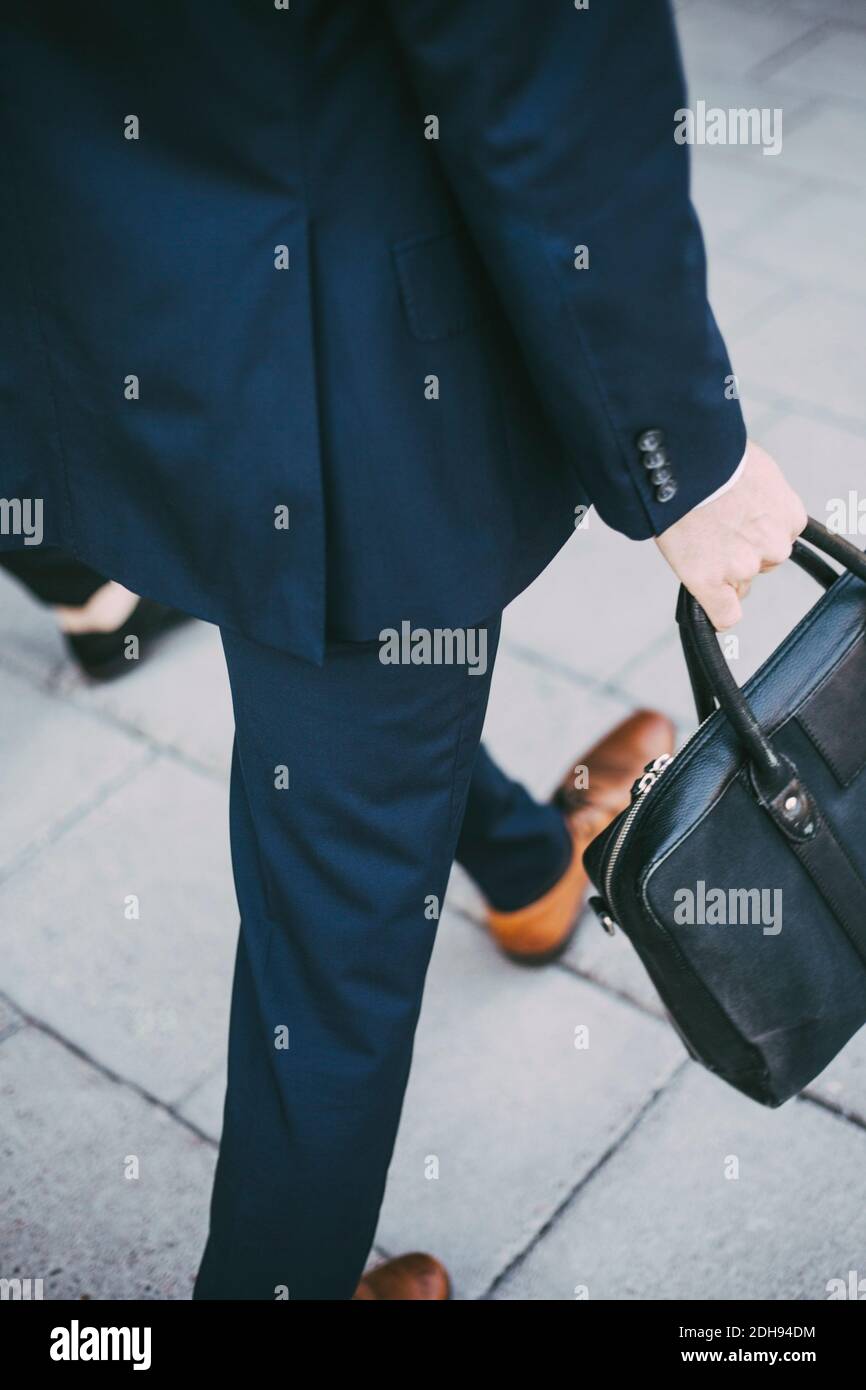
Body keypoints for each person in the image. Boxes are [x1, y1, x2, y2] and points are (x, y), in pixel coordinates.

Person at [0, 1, 806, 1300]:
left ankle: (527, 865)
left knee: (325, 684)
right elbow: (545, 50)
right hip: (328, 350)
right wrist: (680, 447)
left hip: (110, 302)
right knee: (331, 907)